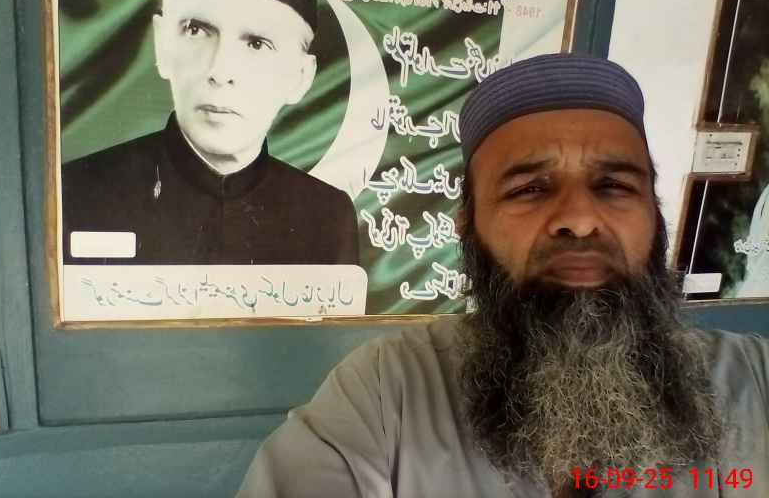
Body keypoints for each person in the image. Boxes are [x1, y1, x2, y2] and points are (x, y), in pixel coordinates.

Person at [236, 53, 769, 497]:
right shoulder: (385, 394)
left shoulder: (755, 385)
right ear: (468, 224)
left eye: (614, 186)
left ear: (654, 212)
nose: (580, 219)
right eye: (530, 189)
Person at [61, 0, 359, 265]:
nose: (220, 70)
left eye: (256, 43)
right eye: (196, 30)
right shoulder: (76, 195)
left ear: (300, 77)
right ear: (162, 44)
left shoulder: (327, 219)